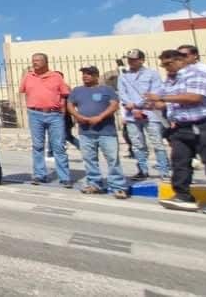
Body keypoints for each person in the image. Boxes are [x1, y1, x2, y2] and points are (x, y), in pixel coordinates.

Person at [146, 50, 206, 217]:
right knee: (180, 161)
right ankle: (183, 195)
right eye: (163, 65)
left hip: (205, 124)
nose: (166, 68)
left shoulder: (196, 74)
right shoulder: (170, 81)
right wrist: (156, 104)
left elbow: (194, 98)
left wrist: (163, 99)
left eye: (168, 64)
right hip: (182, 125)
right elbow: (171, 102)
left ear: (180, 60)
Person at [69, 66, 128, 199]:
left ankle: (118, 186)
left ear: (96, 76)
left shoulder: (107, 89)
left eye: (89, 74)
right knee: (89, 159)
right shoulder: (77, 90)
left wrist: (100, 117)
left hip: (106, 131)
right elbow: (70, 105)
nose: (85, 76)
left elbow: (114, 105)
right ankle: (94, 183)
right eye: (84, 74)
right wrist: (77, 116)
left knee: (112, 159)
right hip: (85, 131)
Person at [20, 53, 72, 187]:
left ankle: (64, 177)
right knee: (37, 146)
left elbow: (64, 95)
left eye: (38, 60)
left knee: (58, 146)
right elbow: (23, 91)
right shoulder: (28, 76)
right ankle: (39, 175)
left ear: (46, 62)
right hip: (35, 114)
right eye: (33, 61)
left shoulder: (56, 77)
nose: (35, 63)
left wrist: (63, 110)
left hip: (54, 115)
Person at [117, 48, 168, 181]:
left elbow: (155, 92)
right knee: (137, 144)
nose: (131, 62)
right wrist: (132, 107)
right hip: (131, 114)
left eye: (134, 59)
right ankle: (142, 169)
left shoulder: (152, 74)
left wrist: (138, 105)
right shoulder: (124, 76)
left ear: (142, 60)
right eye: (129, 59)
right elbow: (122, 93)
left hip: (150, 113)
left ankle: (164, 171)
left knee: (157, 142)